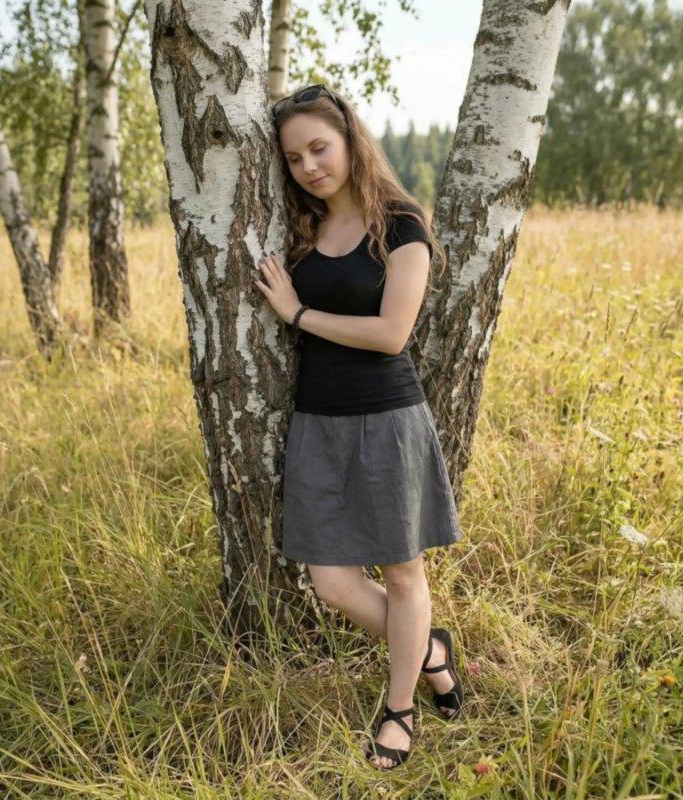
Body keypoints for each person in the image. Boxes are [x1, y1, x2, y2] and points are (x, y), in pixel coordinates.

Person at [252, 84, 464, 770]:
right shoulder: (299, 231)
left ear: (350, 140)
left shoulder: (400, 223)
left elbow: (392, 333)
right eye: (294, 158)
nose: (309, 166)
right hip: (317, 422)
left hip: (387, 418)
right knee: (332, 583)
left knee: (403, 575)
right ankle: (429, 649)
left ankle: (400, 709)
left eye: (320, 148)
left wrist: (298, 315)